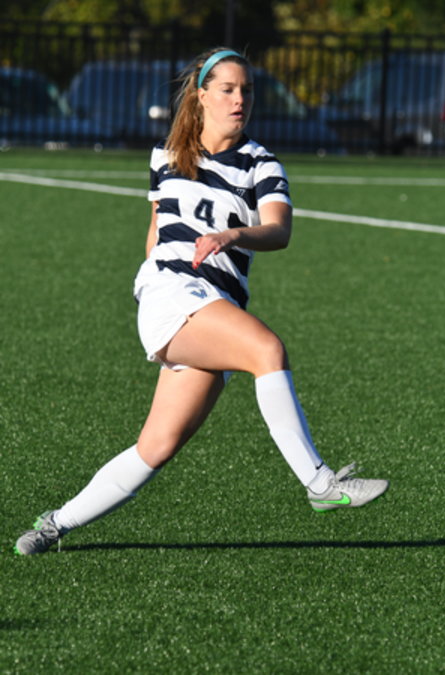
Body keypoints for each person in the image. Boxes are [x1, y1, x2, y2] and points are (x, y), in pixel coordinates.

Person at [15, 47, 388, 556]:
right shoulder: (166, 156)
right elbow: (156, 234)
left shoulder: (261, 163)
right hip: (173, 293)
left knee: (156, 447)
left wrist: (233, 235)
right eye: (228, 89)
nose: (239, 100)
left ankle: (54, 525)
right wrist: (154, 287)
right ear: (201, 96)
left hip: (217, 304)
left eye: (247, 90)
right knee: (267, 351)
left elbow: (279, 231)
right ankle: (320, 483)